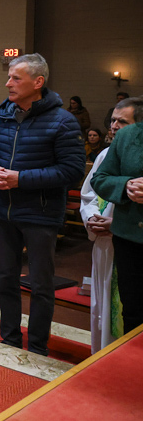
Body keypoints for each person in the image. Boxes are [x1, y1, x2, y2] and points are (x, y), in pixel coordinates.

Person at [0, 53, 85, 356]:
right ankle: (10, 339)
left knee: (41, 284)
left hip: (40, 213)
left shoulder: (62, 121)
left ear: (38, 82)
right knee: (5, 279)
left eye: (16, 78)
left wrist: (21, 179)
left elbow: (72, 171)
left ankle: (38, 345)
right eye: (9, 77)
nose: (8, 83)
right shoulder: (3, 114)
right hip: (3, 211)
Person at [80, 96, 142, 352]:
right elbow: (90, 192)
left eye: (122, 122)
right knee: (115, 309)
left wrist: (115, 221)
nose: (114, 126)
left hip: (127, 233)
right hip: (115, 242)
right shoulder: (109, 152)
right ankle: (110, 359)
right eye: (113, 121)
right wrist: (92, 218)